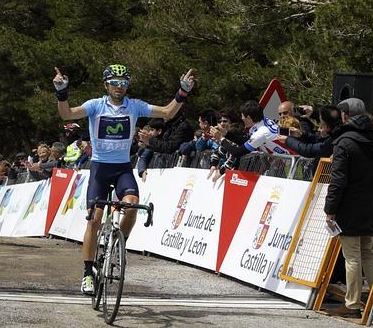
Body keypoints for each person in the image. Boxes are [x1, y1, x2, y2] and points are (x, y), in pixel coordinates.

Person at [53, 64, 195, 294]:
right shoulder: (95, 105)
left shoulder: (135, 106)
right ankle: (88, 272)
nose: (119, 86)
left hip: (122, 168)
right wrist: (61, 92)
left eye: (123, 82)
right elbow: (67, 114)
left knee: (130, 207)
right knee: (94, 219)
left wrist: (182, 92)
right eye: (115, 82)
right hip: (100, 168)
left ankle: (120, 244)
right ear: (106, 84)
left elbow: (168, 112)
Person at [324, 98, 373, 318]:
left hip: (349, 206)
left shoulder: (344, 142)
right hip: (370, 205)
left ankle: (352, 305)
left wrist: (330, 209)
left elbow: (338, 180)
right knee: (368, 254)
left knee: (352, 257)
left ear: (345, 115)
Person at [212, 100, 292, 158]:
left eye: (242, 116)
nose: (242, 118)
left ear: (249, 117)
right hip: (283, 158)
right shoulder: (263, 120)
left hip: (292, 159)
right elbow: (245, 141)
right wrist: (226, 134)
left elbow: (238, 152)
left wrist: (221, 139)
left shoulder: (261, 133)